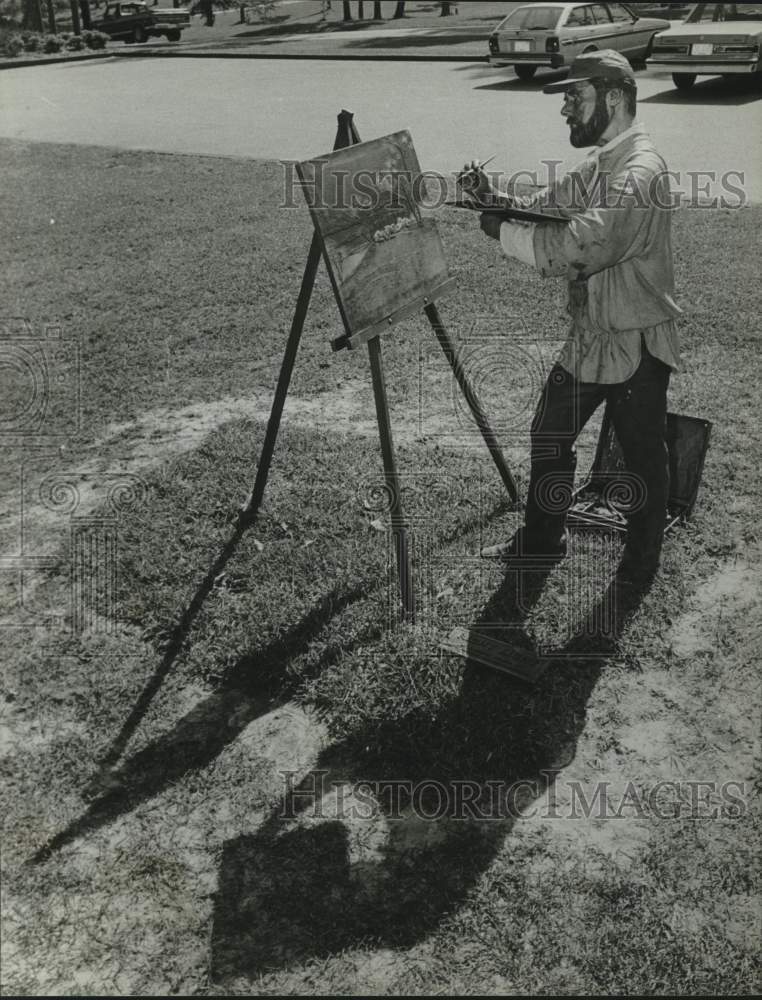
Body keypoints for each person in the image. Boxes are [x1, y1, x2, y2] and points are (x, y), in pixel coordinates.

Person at [463, 49, 682, 587]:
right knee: (549, 433)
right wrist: (494, 198)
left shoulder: (639, 172)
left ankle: (640, 563)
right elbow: (551, 205)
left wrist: (502, 232)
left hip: (634, 341)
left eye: (573, 97)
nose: (565, 109)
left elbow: (581, 246)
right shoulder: (604, 164)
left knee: (640, 457)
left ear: (613, 98)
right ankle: (541, 541)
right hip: (593, 335)